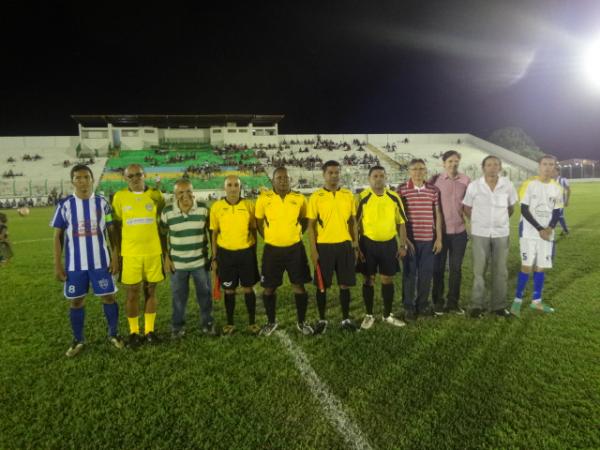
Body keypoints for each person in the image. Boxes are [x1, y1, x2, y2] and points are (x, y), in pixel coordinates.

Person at [50, 164, 123, 357]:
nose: (82, 181)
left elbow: (112, 231)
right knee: (76, 301)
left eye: (86, 177)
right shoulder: (64, 205)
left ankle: (114, 334)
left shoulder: (102, 203)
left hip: (101, 263)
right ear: (72, 181)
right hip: (75, 265)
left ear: (92, 179)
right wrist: (57, 264)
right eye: (77, 178)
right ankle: (78, 339)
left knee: (109, 297)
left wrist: (115, 257)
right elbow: (57, 237)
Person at [112, 164, 166, 348]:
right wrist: (117, 252)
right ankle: (134, 333)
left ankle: (149, 331)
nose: (135, 179)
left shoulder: (155, 196)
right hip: (130, 254)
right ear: (125, 178)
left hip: (153, 252)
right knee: (132, 293)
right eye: (131, 176)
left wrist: (166, 253)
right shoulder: (119, 197)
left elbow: (161, 223)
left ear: (145, 175)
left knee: (151, 291)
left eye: (138, 175)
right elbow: (117, 226)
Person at [255, 167, 313, 336]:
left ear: (290, 180)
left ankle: (302, 322)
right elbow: (259, 222)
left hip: (295, 249)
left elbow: (304, 219)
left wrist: (294, 234)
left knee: (299, 285)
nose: (283, 180)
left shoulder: (299, 198)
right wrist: (269, 237)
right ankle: (271, 322)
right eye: (279, 178)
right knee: (269, 288)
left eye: (286, 178)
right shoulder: (264, 198)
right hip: (272, 250)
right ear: (273, 180)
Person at [307, 160, 359, 333]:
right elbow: (311, 226)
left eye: (337, 172)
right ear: (324, 175)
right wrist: (313, 250)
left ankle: (345, 319)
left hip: (345, 246)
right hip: (324, 247)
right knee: (322, 286)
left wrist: (355, 244)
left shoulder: (348, 195)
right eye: (330, 173)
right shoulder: (316, 197)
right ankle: (322, 320)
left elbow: (353, 222)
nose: (334, 176)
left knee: (345, 284)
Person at [462, 156, 518, 318]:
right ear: (483, 167)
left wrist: (499, 221)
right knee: (479, 271)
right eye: (489, 164)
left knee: (500, 270)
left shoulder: (507, 185)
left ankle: (498, 306)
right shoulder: (474, 186)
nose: (492, 167)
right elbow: (466, 208)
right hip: (480, 233)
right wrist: (479, 221)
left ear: (500, 167)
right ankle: (476, 305)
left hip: (501, 233)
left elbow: (511, 208)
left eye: (496, 164)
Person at [160, 179, 214, 338]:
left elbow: (211, 232)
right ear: (174, 195)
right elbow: (162, 234)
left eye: (188, 191)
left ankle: (208, 324)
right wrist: (166, 257)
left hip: (200, 262)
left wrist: (213, 255)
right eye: (180, 192)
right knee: (178, 298)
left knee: (205, 296)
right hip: (177, 264)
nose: (185, 195)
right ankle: (177, 327)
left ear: (193, 191)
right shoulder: (167, 211)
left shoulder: (203, 209)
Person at [356, 166, 408, 329]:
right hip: (368, 244)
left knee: (387, 279)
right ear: (369, 179)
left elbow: (401, 223)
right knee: (369, 279)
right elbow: (355, 224)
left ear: (386, 178)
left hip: (388, 244)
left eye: (381, 176)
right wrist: (356, 246)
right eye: (375, 176)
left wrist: (402, 244)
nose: (378, 179)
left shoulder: (394, 197)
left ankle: (387, 315)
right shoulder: (362, 197)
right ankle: (369, 315)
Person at [511, 156, 563, 317]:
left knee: (541, 267)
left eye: (551, 165)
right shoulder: (529, 184)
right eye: (545, 164)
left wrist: (550, 228)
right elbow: (524, 209)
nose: (548, 167)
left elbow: (557, 211)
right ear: (539, 166)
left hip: (547, 234)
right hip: (528, 232)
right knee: (526, 266)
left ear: (554, 167)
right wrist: (540, 228)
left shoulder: (557, 188)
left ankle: (536, 302)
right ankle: (517, 302)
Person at [209, 175, 260, 335]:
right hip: (225, 255)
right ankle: (230, 323)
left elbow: (253, 230)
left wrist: (253, 252)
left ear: (240, 187)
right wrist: (215, 256)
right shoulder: (217, 207)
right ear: (225, 188)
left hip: (246, 253)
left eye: (235, 185)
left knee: (248, 288)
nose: (233, 188)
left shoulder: (249, 205)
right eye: (229, 185)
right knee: (229, 290)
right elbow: (214, 233)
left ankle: (252, 322)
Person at [397, 159, 443, 321]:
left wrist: (439, 238)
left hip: (428, 239)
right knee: (409, 274)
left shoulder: (433, 190)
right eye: (414, 169)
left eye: (421, 169)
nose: (418, 172)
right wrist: (405, 240)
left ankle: (422, 304)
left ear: (426, 171)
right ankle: (408, 306)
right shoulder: (401, 190)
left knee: (426, 274)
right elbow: (398, 218)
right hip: (410, 240)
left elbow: (437, 214)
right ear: (409, 171)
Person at [430, 150, 470, 315]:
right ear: (444, 163)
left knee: (456, 269)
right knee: (438, 268)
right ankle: (438, 302)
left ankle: (453, 303)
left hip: (460, 232)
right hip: (441, 233)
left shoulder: (466, 180)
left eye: (456, 161)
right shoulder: (435, 181)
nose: (453, 164)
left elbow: (469, 205)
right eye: (450, 161)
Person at [554, 166, 571, 235]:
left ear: (558, 172)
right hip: (552, 201)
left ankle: (566, 231)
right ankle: (564, 230)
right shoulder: (550, 180)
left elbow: (568, 190)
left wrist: (567, 200)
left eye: (554, 171)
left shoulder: (563, 180)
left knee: (559, 216)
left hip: (561, 201)